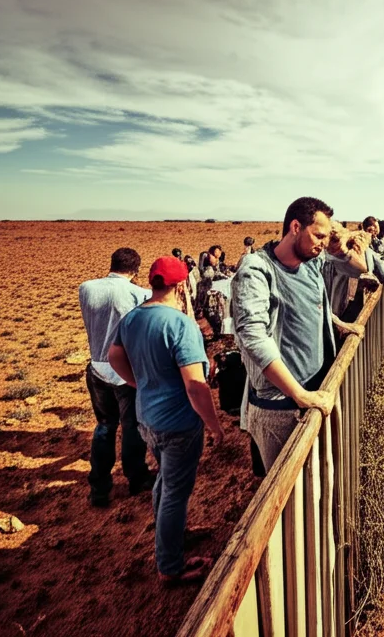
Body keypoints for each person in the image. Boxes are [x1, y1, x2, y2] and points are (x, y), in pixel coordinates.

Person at [108, 256, 224, 584]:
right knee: (175, 489)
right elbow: (195, 385)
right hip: (178, 423)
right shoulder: (180, 324)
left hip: (147, 418)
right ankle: (170, 566)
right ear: (181, 285)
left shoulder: (132, 318)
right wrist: (214, 425)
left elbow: (114, 356)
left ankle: (170, 537)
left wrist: (139, 383)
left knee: (164, 481)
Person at [231, 196, 367, 470]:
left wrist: (340, 248)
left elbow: (358, 270)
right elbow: (253, 336)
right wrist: (299, 394)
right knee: (292, 498)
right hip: (283, 406)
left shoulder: (311, 262)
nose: (322, 244)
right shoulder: (258, 269)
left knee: (321, 482)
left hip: (315, 393)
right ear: (295, 227)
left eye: (325, 237)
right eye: (318, 235)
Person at [78, 248, 155, 507]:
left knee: (104, 427)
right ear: (135, 271)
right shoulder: (140, 294)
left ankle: (99, 487)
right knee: (131, 427)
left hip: (97, 367)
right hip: (125, 370)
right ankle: (137, 478)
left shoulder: (86, 288)